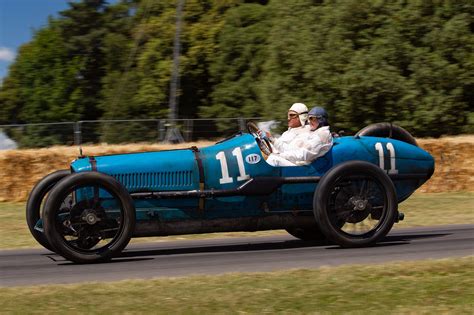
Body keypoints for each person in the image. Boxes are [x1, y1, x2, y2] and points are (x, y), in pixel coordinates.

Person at [266, 105, 333, 166]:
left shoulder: (322, 134)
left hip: (304, 168)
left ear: (321, 120)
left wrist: (280, 155)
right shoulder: (315, 132)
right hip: (298, 163)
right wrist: (272, 140)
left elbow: (302, 155)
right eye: (308, 118)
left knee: (273, 160)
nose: (309, 121)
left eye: (312, 118)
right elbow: (294, 149)